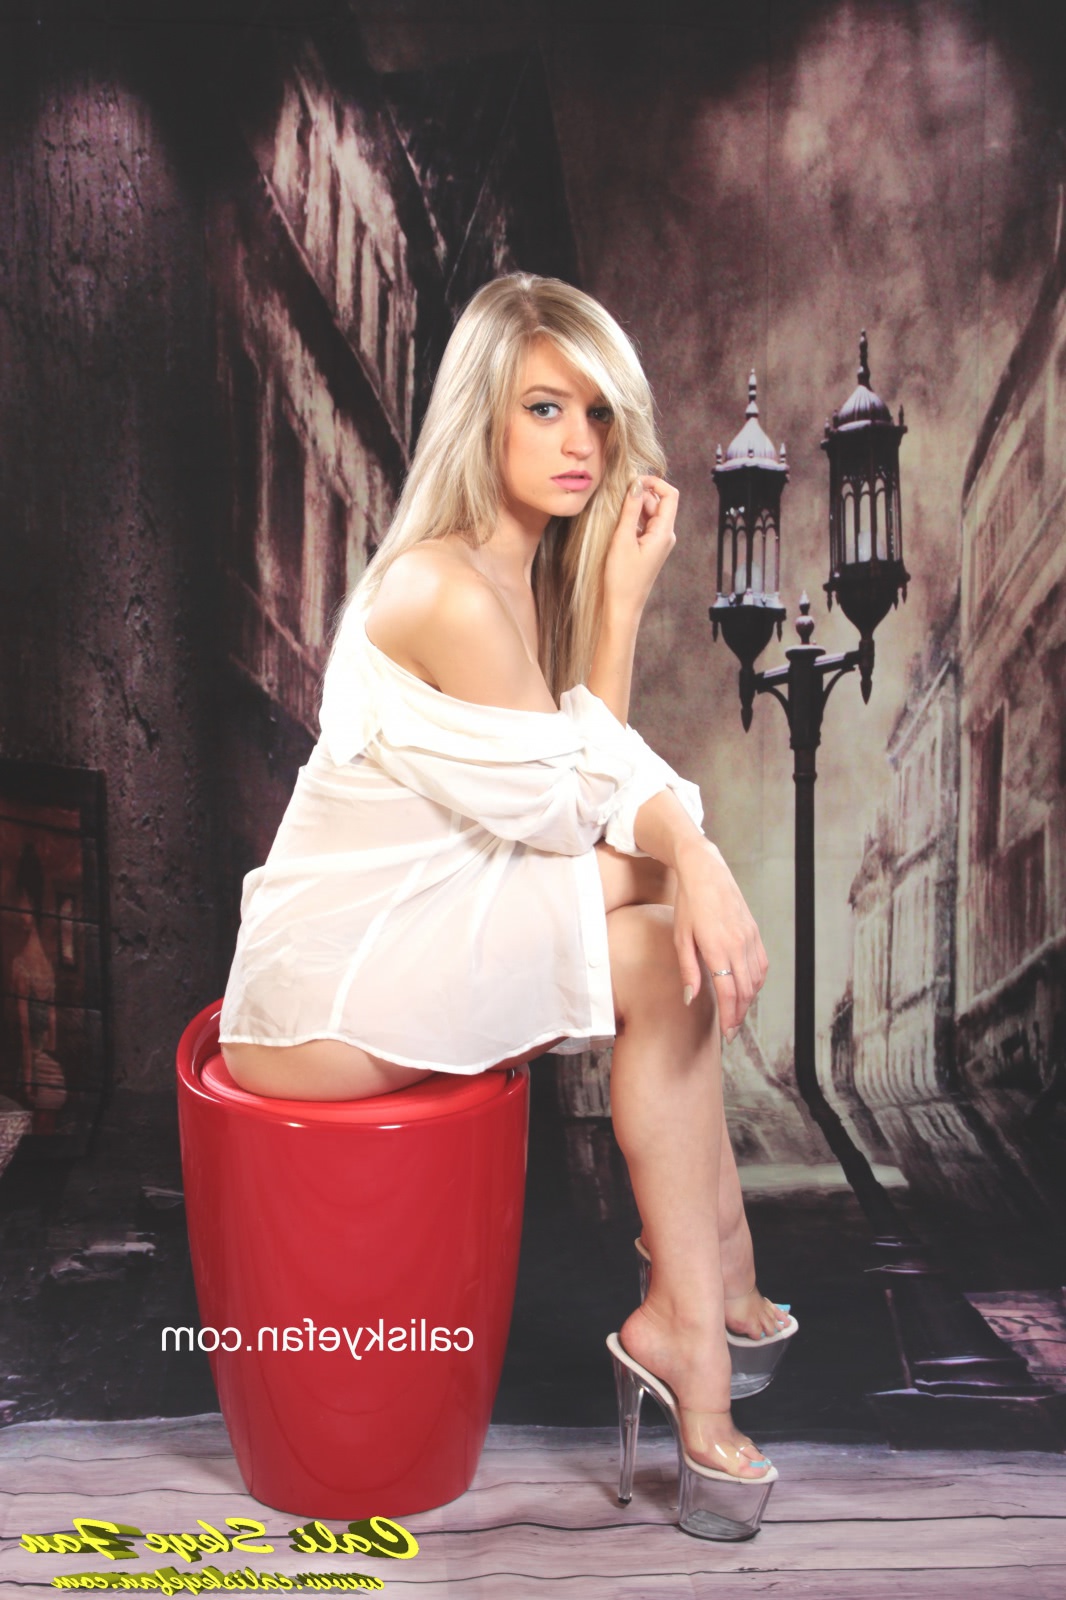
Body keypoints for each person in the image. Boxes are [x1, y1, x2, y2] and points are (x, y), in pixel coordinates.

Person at [219, 273, 785, 1537]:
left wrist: (682, 844)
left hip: (413, 923)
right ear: (482, 413)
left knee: (662, 918)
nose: (580, 442)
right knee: (659, 927)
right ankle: (701, 1309)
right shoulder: (446, 592)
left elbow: (575, 780)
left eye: (598, 412)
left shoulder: (508, 575)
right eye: (544, 407)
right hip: (324, 992)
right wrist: (690, 845)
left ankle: (704, 1292)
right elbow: (577, 806)